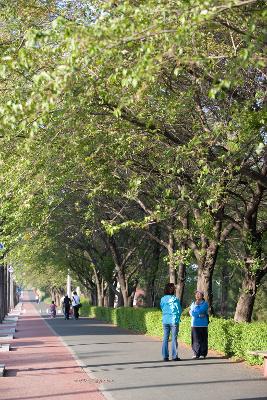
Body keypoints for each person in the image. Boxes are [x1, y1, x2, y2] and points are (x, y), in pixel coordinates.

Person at [160, 283, 182, 361]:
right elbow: (179, 310)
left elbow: (162, 308)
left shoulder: (162, 299)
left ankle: (165, 356)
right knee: (174, 338)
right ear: (173, 290)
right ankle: (174, 356)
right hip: (174, 320)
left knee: (165, 338)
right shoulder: (175, 299)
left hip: (165, 320)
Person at [189, 290, 209, 359]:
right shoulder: (192, 303)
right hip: (194, 324)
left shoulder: (205, 304)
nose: (197, 295)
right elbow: (191, 313)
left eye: (199, 294)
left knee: (203, 339)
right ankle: (196, 353)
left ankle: (202, 354)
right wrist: (199, 315)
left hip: (203, 324)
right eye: (196, 294)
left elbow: (201, 310)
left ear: (202, 296)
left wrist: (196, 307)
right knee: (195, 339)